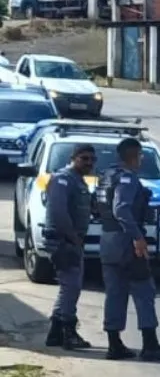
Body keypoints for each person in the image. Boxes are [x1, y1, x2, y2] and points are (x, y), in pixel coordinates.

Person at [96, 137, 160, 362]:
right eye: (141, 156)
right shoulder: (127, 178)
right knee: (144, 291)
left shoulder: (106, 177)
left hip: (108, 240)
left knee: (115, 293)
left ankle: (115, 345)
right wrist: (138, 238)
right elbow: (121, 209)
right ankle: (150, 345)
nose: (141, 159)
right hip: (127, 242)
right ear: (134, 156)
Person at [43, 144, 95, 350]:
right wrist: (73, 237)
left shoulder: (79, 181)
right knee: (71, 287)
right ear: (73, 158)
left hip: (71, 241)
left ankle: (55, 333)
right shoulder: (62, 179)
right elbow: (58, 212)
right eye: (84, 159)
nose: (89, 163)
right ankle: (68, 332)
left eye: (92, 159)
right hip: (62, 241)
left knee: (69, 287)